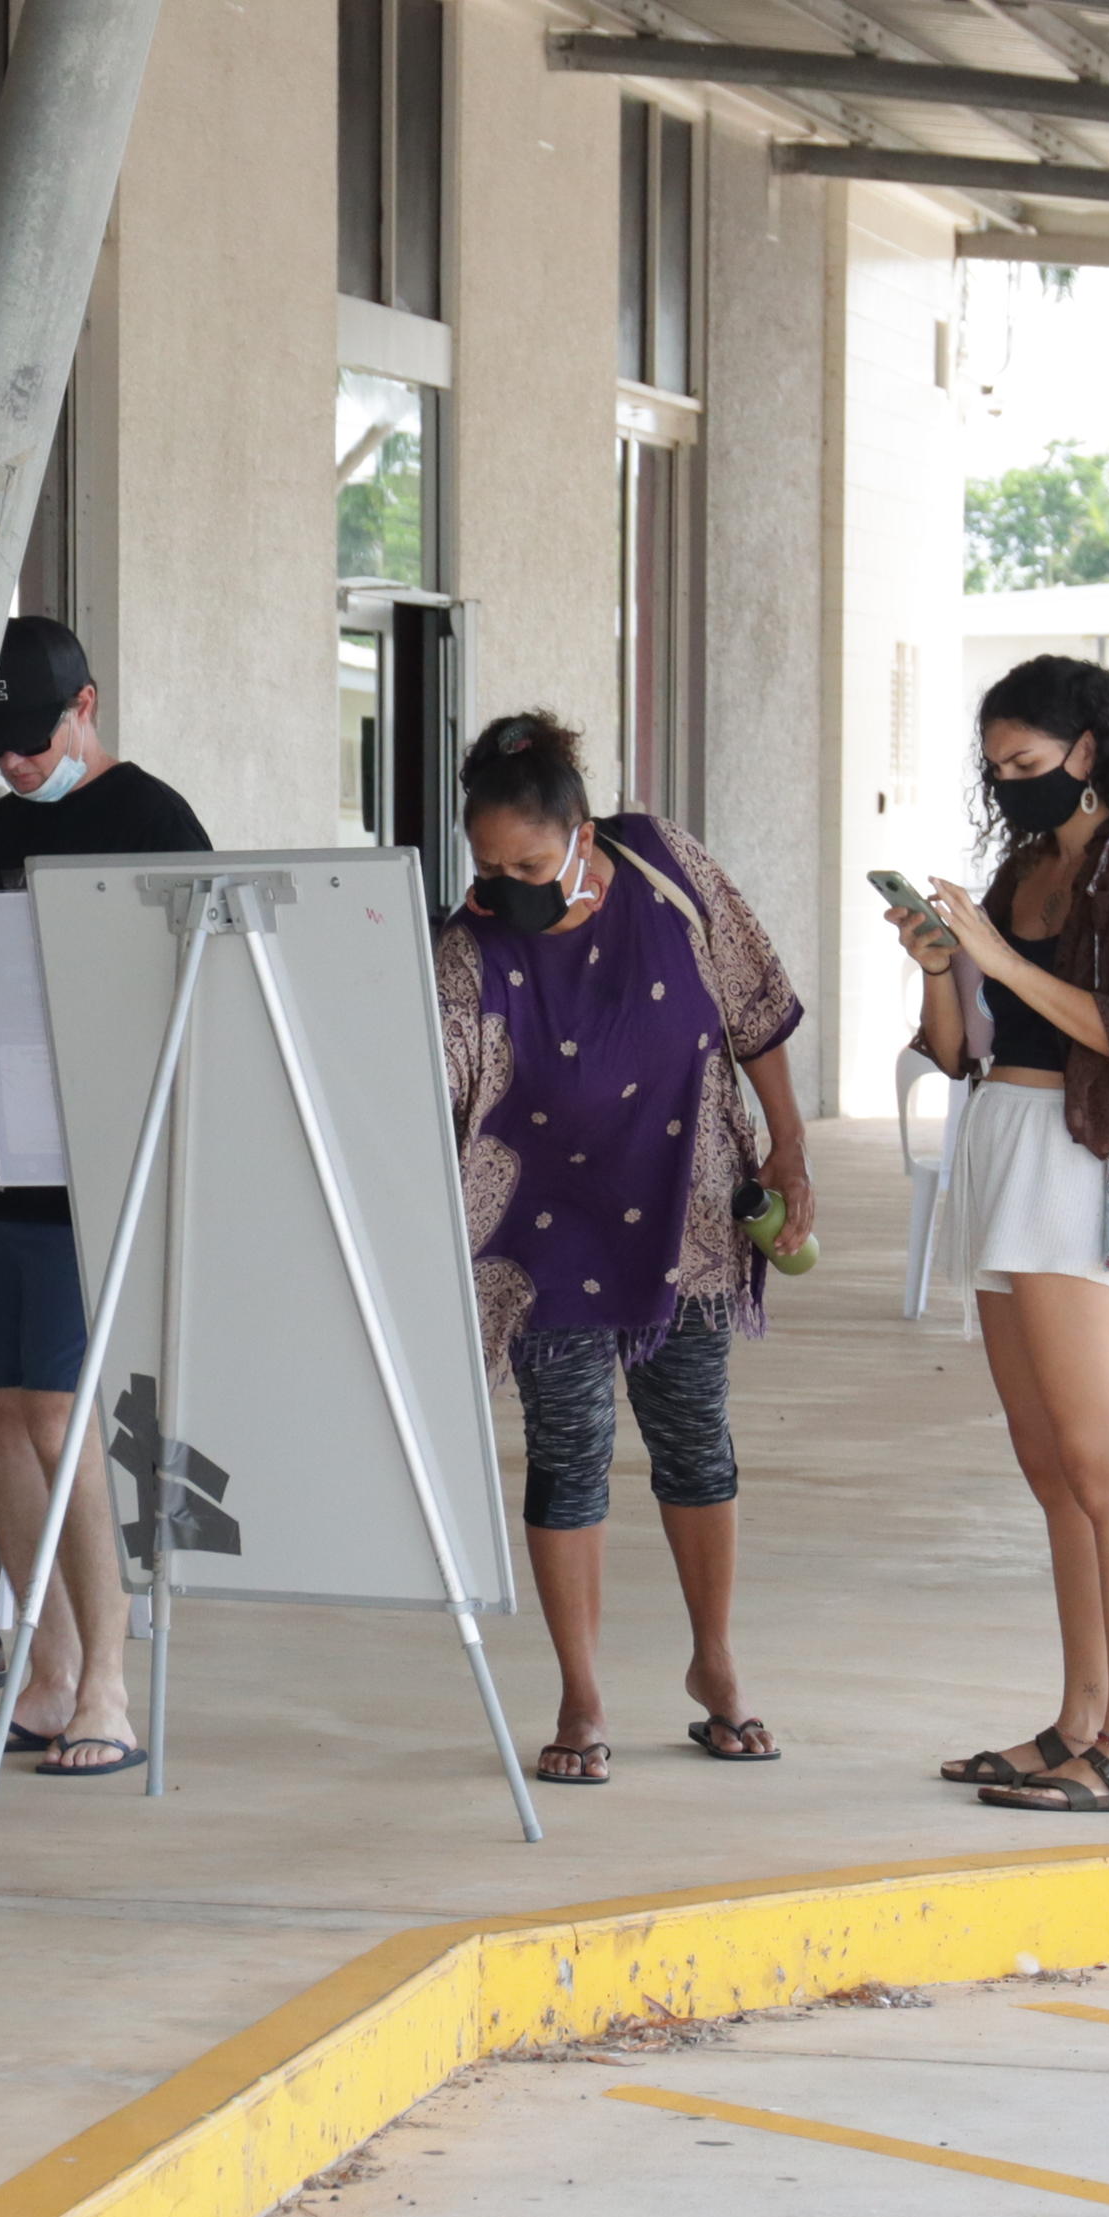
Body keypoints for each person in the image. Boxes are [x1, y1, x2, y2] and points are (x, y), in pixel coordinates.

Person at [432, 711, 807, 1784]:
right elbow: (435, 1089)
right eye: (491, 866)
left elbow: (751, 1002)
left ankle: (715, 1668)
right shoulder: (468, 944)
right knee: (569, 1450)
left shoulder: (663, 866)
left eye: (531, 864)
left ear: (583, 835)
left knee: (692, 1437)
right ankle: (580, 1692)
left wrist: (787, 1147)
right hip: (536, 1227)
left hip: (684, 1200)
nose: (511, 886)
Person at [889, 654, 1109, 1819]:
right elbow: (963, 1044)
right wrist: (941, 965)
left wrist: (1000, 957)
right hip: (999, 1140)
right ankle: (1078, 1723)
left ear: (1085, 750)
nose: (1010, 785)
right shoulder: (1025, 863)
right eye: (994, 770)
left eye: (1026, 765)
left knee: (1108, 1468)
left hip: (1073, 1164)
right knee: (1050, 1469)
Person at [0, 615, 208, 1784]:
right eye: (0, 749)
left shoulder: (153, 823)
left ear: (84, 706)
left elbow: (188, 992)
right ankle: (42, 1673)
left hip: (103, 1160)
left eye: (33, 740)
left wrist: (32, 967)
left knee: (59, 1419)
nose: (18, 764)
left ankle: (108, 1686)